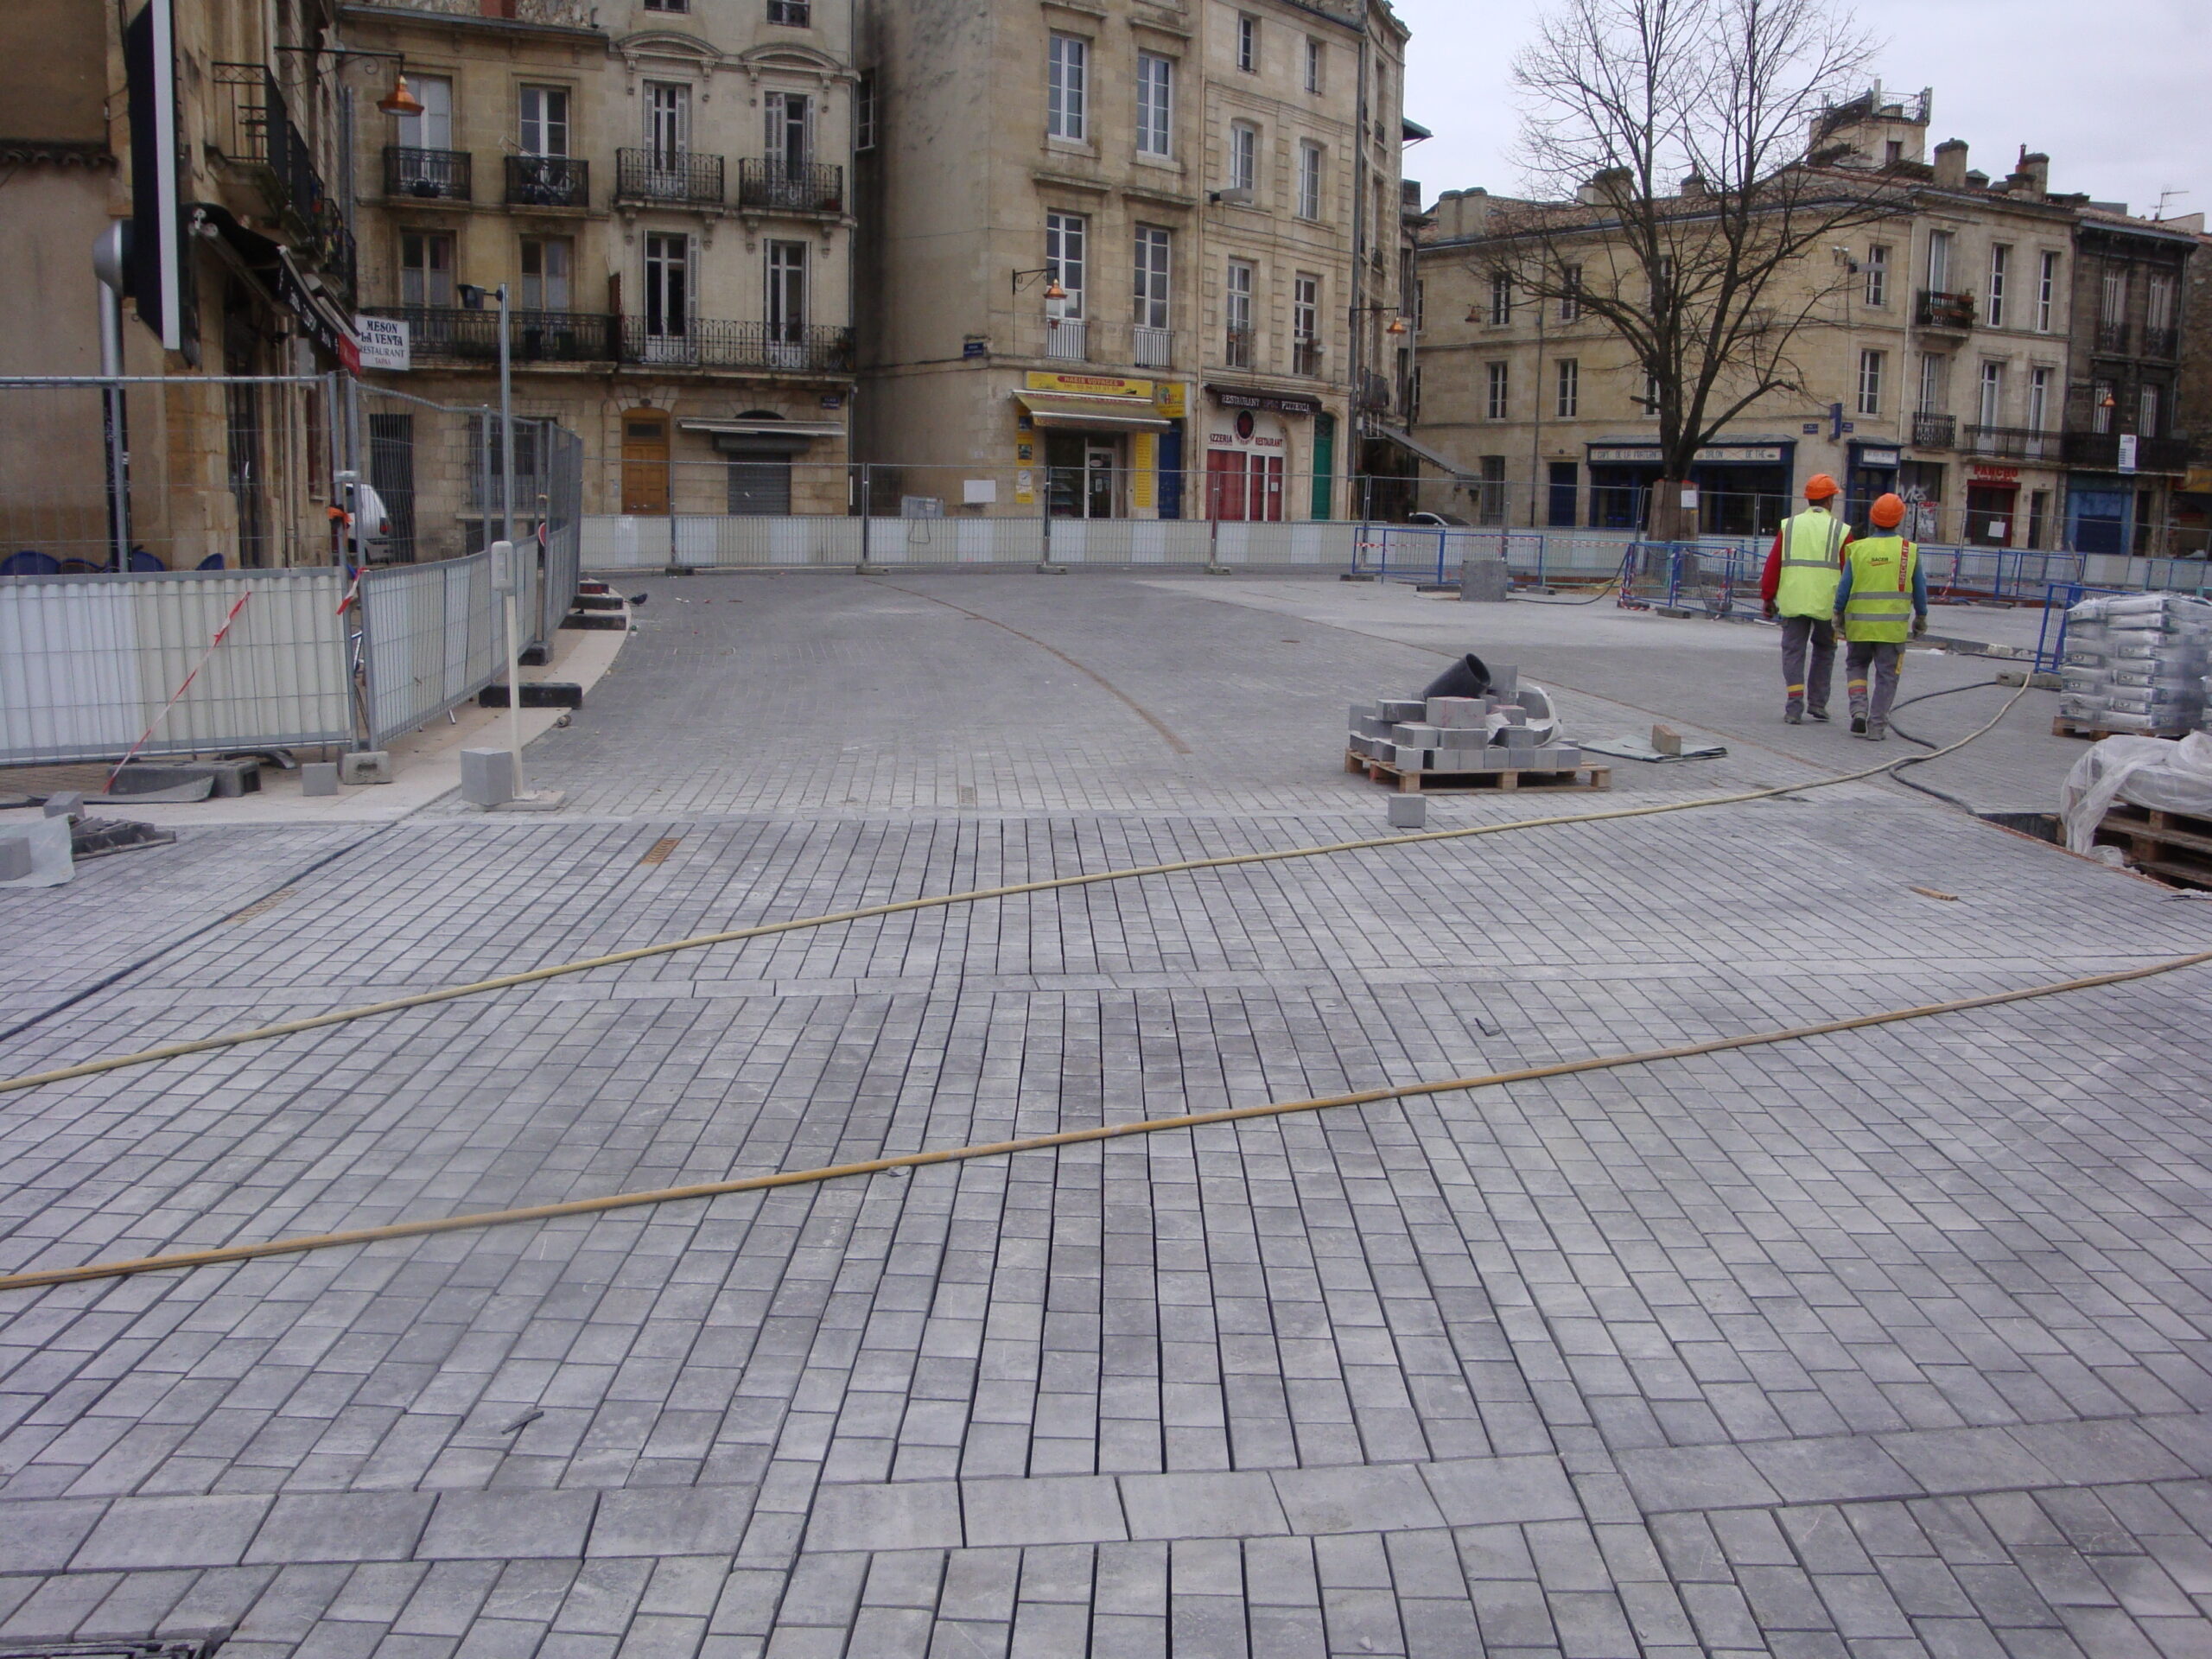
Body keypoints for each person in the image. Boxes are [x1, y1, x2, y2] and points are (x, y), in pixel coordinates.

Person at [1832, 492, 1929, 739]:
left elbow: (1844, 587)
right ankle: (1876, 727)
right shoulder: (1909, 551)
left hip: (1860, 628)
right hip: (1892, 631)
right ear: (1900, 520)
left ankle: (1859, 711)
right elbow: (1920, 589)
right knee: (1887, 676)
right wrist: (1921, 617)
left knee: (1856, 666)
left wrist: (1837, 614)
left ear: (1872, 518)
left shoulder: (1859, 549)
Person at [1758, 474, 1852, 724]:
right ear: (1830, 500)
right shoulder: (1841, 531)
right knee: (1825, 651)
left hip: (1793, 601)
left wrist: (1768, 597)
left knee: (1793, 652)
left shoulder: (1789, 526)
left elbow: (1773, 564)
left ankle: (1794, 706)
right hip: (1826, 604)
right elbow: (1849, 572)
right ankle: (1818, 704)